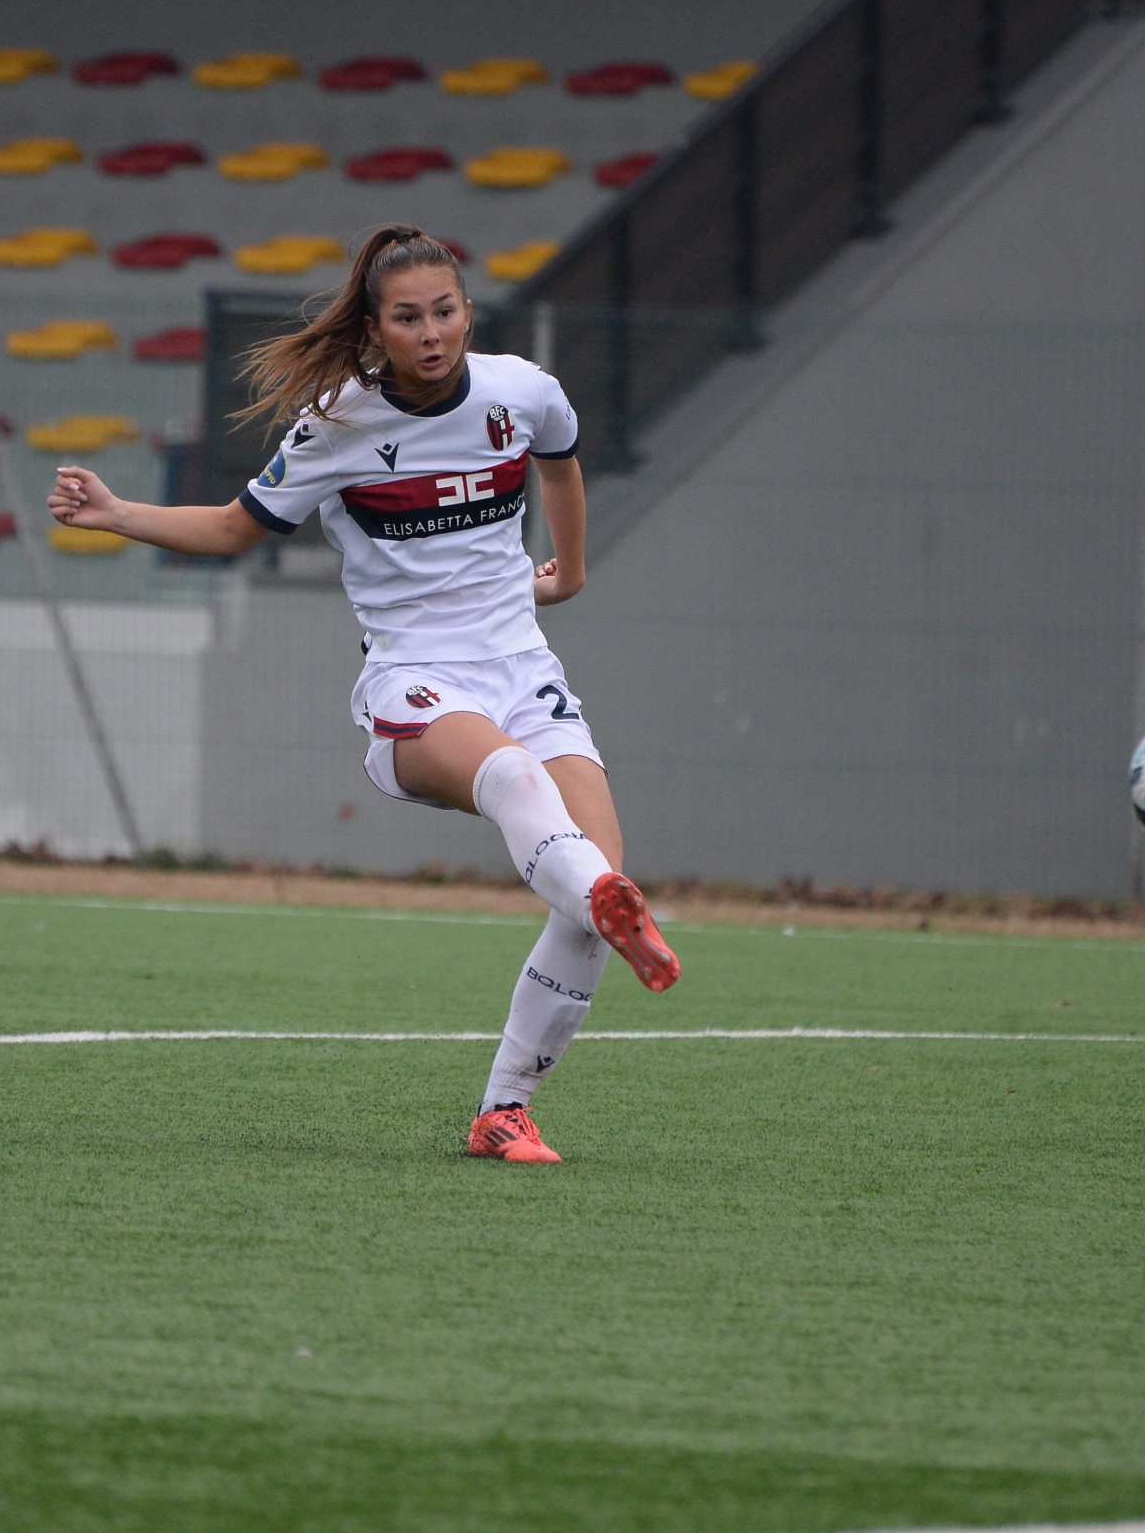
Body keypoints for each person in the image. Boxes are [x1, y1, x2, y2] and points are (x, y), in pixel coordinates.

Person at [47, 225, 680, 1163]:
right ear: (376, 329)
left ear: (469, 309)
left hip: (524, 669)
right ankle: (611, 903)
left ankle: (505, 1109)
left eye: (446, 311)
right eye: (408, 317)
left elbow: (563, 459)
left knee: (589, 891)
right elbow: (232, 529)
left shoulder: (523, 392)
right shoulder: (337, 425)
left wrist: (570, 573)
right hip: (415, 684)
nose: (432, 332)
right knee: (516, 783)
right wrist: (115, 513)